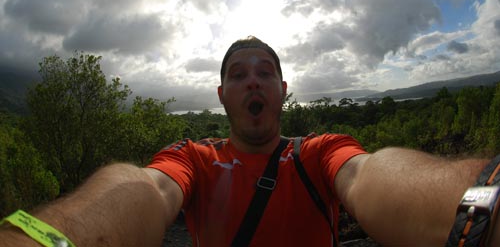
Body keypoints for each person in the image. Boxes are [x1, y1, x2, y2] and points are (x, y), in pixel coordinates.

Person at [1, 36, 499, 247]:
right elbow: (145, 189)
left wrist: (483, 196)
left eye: (265, 73)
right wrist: (43, 239)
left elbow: (368, 175)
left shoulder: (319, 153)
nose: (253, 81)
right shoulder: (194, 158)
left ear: (283, 91)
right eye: (239, 75)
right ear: (222, 95)